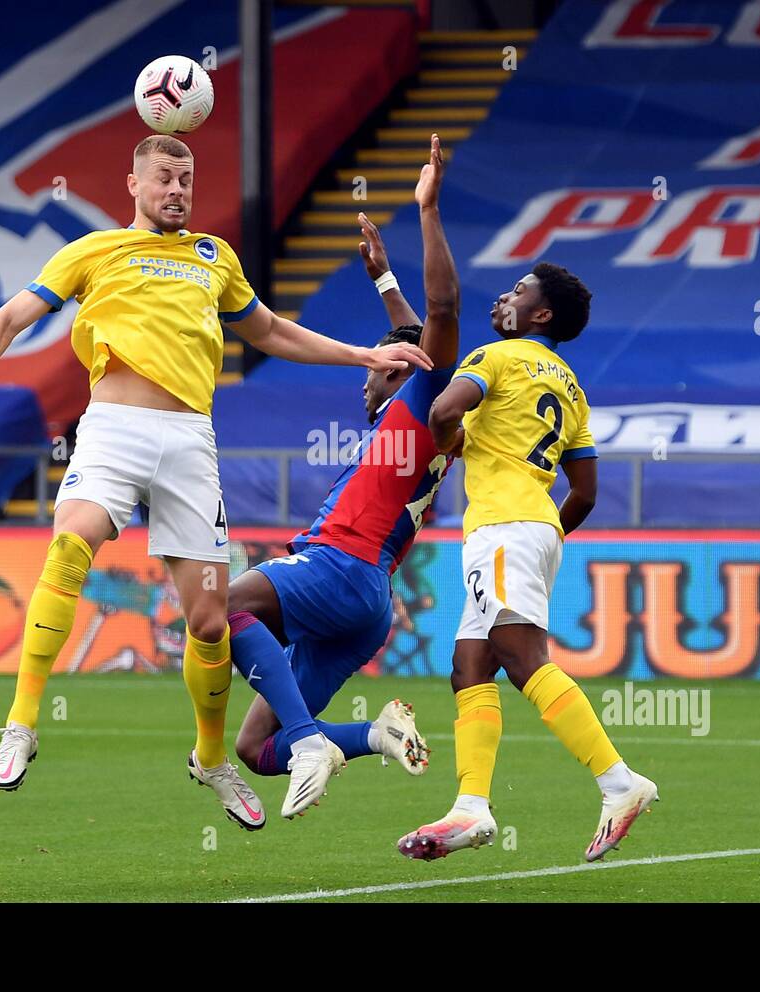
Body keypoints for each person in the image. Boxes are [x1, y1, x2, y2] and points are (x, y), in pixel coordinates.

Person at [0, 134, 430, 830]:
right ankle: (21, 724)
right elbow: (9, 317)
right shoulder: (92, 252)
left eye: (186, 178)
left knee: (211, 620)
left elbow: (272, 331)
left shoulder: (214, 258)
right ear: (133, 183)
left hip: (190, 441)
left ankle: (213, 757)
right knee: (72, 542)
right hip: (115, 425)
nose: (178, 190)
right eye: (164, 178)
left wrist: (363, 353)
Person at [222, 135, 459, 819]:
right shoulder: (417, 418)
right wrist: (383, 278)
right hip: (366, 604)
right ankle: (372, 735)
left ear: (400, 370)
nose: (363, 377)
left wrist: (427, 210)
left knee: (220, 604)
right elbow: (414, 329)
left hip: (341, 566)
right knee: (254, 747)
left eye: (374, 366)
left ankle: (309, 741)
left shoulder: (421, 403)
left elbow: (437, 317)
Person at [397, 258, 659, 863]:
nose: (503, 298)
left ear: (541, 314)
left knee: (521, 658)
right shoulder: (571, 386)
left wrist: (446, 445)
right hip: (535, 528)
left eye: (518, 291)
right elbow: (586, 492)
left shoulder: (495, 357)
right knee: (470, 667)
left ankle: (619, 783)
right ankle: (471, 808)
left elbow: (441, 413)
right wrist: (546, 532)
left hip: (503, 531)